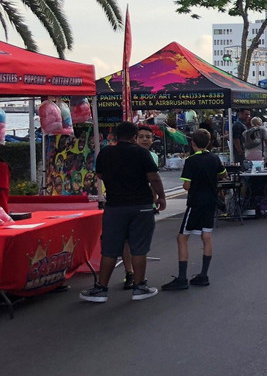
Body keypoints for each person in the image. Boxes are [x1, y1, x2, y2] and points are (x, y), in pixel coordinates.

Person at [80, 121, 167, 303]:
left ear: (115, 136)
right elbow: (153, 177)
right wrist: (161, 197)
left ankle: (101, 289)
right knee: (139, 248)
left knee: (110, 249)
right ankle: (139, 286)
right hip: (141, 205)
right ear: (134, 137)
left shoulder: (106, 153)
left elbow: (100, 175)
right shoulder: (142, 153)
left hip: (114, 206)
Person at [162, 129, 226, 291]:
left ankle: (182, 277)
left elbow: (186, 185)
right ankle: (204, 275)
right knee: (207, 236)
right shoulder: (214, 158)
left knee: (182, 238)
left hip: (195, 202)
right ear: (209, 142)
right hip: (210, 201)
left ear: (193, 143)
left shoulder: (191, 161)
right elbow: (222, 174)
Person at [119, 124, 160, 290]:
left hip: (144, 204)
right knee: (127, 241)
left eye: (148, 137)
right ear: (134, 138)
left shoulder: (152, 156)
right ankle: (130, 274)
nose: (144, 139)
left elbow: (153, 180)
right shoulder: (125, 154)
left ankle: (137, 277)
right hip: (125, 202)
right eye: (141, 136)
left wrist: (155, 200)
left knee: (138, 243)